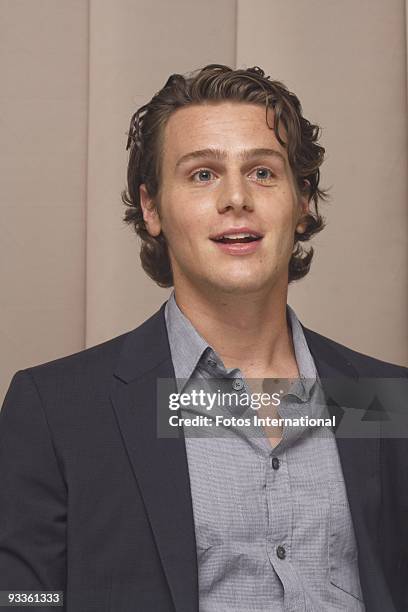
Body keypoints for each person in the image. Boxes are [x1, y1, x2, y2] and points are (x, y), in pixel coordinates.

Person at [0, 64, 407, 612]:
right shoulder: (58, 411)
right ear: (152, 208)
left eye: (263, 172)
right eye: (202, 174)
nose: (236, 197)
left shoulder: (381, 400)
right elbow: (21, 598)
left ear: (302, 202)